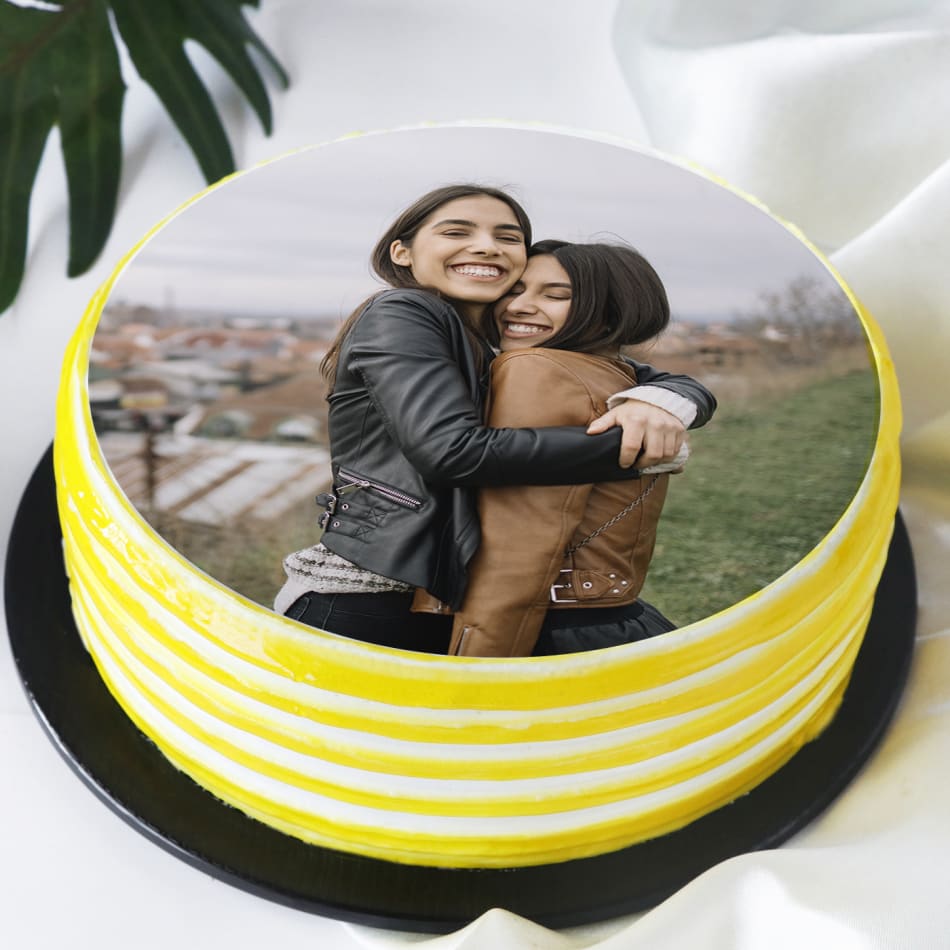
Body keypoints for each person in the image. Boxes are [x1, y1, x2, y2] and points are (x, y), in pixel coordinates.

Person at [274, 185, 715, 652]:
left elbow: (632, 370)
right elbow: (451, 453)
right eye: (457, 231)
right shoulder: (404, 312)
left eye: (507, 237)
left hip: (436, 599)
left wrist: (668, 398)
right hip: (363, 598)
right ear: (402, 252)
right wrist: (635, 451)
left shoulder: (489, 336)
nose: (486, 246)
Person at [444, 241, 686, 657]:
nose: (518, 306)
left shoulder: (533, 368)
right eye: (515, 290)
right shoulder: (622, 377)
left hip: (544, 633)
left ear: (613, 310)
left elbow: (518, 543)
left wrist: (476, 665)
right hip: (610, 621)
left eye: (555, 295)